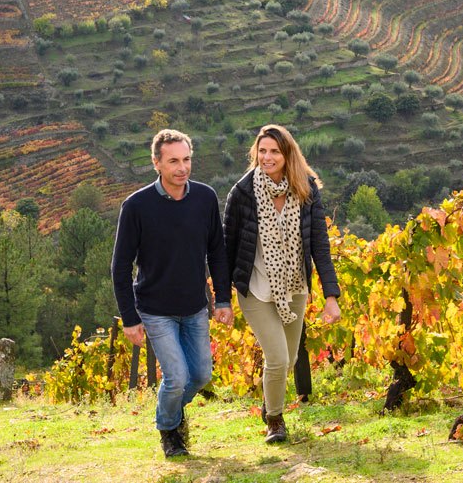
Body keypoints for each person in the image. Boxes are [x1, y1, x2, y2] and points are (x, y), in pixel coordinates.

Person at [111, 129, 234, 458]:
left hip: (196, 307)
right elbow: (120, 267)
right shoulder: (136, 206)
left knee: (201, 375)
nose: (182, 167)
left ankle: (171, 415)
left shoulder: (205, 197)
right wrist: (130, 319)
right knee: (176, 377)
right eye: (174, 161)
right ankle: (170, 430)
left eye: (187, 159)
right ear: (157, 164)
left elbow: (217, 253)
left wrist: (222, 299)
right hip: (155, 310)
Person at [224, 124, 341, 444]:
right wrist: (222, 297)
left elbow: (320, 246)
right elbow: (227, 246)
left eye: (274, 151)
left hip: (294, 287)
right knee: (276, 359)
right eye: (262, 151)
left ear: (288, 154)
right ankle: (274, 420)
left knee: (288, 360)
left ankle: (269, 402)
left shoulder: (307, 189)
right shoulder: (243, 193)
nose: (267, 157)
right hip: (255, 289)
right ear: (255, 153)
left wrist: (331, 295)